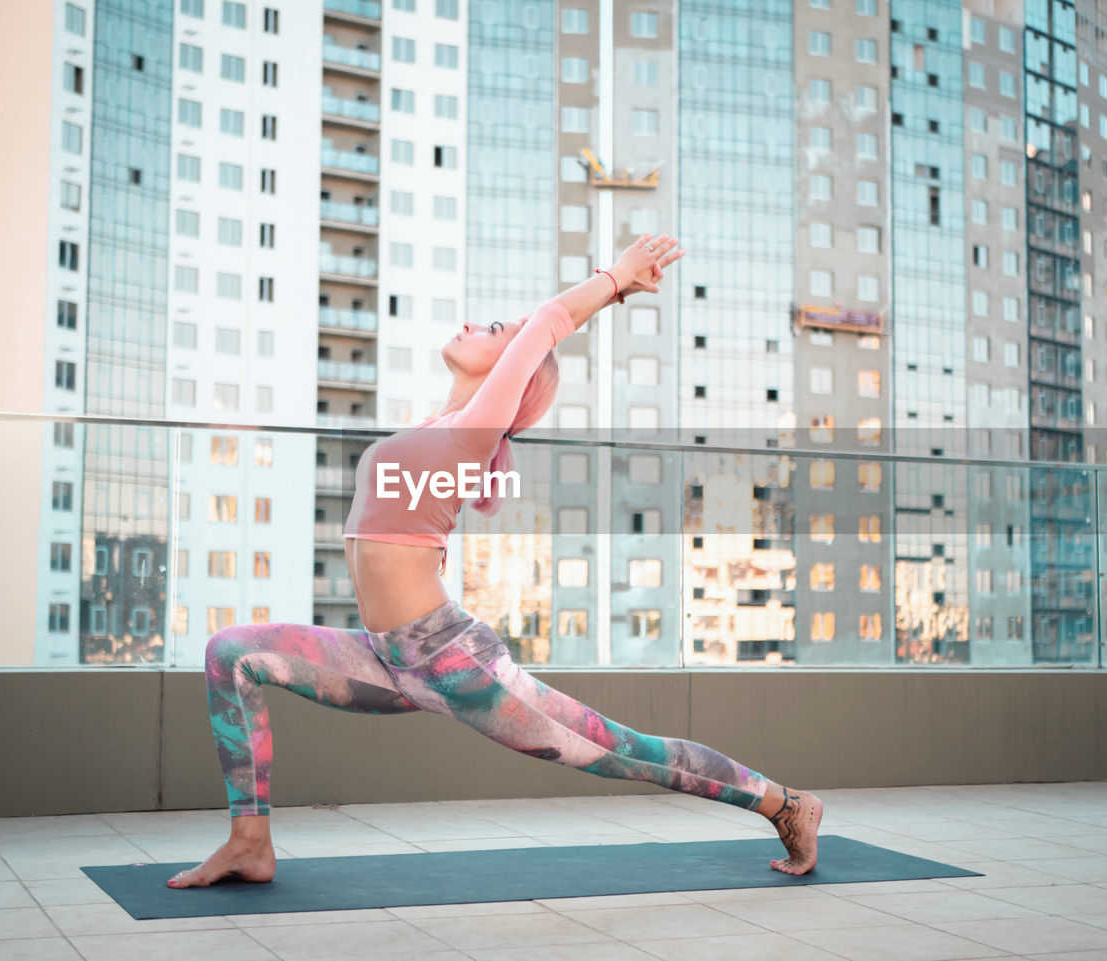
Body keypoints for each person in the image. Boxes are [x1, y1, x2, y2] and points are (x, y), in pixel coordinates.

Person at [168, 233, 823, 889]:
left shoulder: (479, 423)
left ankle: (785, 802)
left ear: (513, 365)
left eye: (492, 328)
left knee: (622, 753)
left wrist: (618, 278)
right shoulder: (436, 425)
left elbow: (549, 322)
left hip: (451, 659)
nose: (469, 325)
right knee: (231, 652)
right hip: (382, 655)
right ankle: (250, 842)